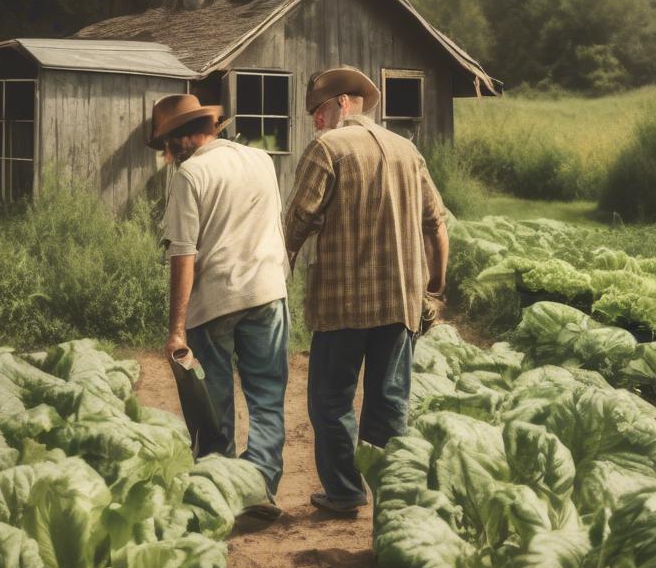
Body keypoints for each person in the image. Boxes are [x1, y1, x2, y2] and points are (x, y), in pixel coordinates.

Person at [284, 66, 448, 514]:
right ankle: (392, 494)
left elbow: (296, 221)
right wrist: (434, 287)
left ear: (342, 103)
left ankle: (344, 492)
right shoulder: (407, 150)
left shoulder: (328, 148)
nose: (314, 120)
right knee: (390, 398)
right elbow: (436, 223)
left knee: (331, 399)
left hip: (342, 302)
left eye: (317, 110)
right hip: (401, 300)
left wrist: (281, 274)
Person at [151, 93, 290, 517]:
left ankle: (217, 484)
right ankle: (260, 486)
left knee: (212, 400)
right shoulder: (261, 159)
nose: (168, 157)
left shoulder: (190, 175)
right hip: (268, 292)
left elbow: (184, 255)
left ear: (179, 141)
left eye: (168, 148)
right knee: (267, 395)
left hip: (216, 299)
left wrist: (176, 328)